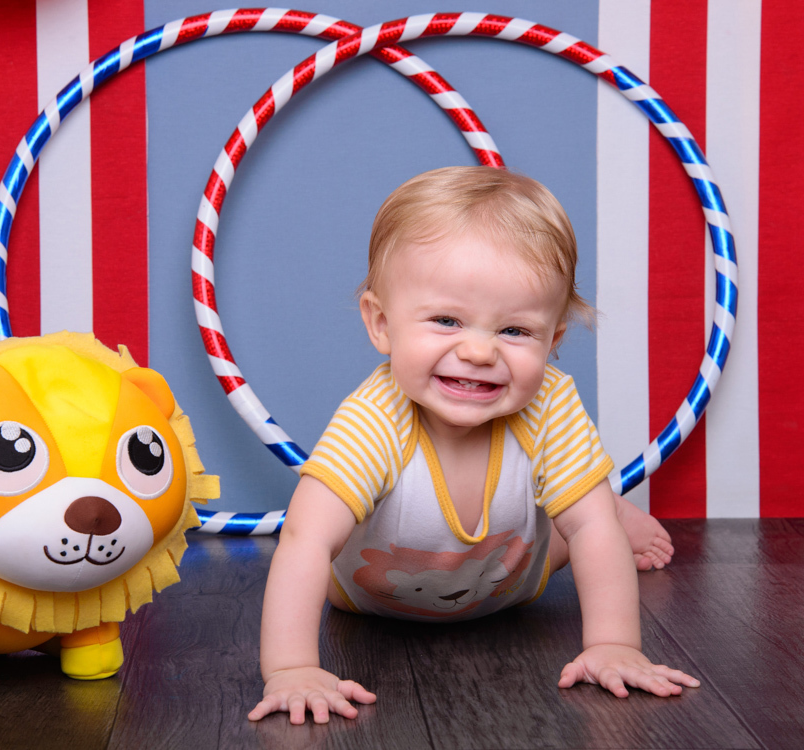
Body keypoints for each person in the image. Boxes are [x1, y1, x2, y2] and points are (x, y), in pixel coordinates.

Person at [247, 167, 698, 725]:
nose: (480, 352)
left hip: (510, 575)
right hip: (372, 600)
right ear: (381, 323)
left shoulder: (550, 404)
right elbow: (305, 539)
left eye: (515, 331)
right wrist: (291, 668)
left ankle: (599, 501)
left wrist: (614, 644)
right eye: (446, 320)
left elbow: (590, 534)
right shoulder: (374, 419)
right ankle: (592, 498)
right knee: (570, 516)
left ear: (553, 340)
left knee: (584, 524)